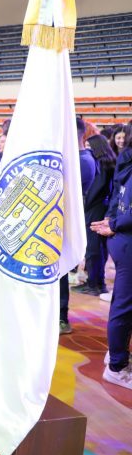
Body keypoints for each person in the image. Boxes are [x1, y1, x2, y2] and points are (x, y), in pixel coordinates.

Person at [92, 123, 132, 390]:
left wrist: (112, 221)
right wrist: (114, 223)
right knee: (125, 306)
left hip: (121, 239)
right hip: (127, 238)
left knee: (124, 303)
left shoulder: (126, 159)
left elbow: (117, 197)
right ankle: (117, 366)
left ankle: (116, 354)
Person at [58, 118, 96, 335]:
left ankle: (61, 317)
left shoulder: (82, 161)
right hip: (64, 219)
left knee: (61, 270)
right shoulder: (79, 158)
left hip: (67, 221)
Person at [74, 127, 116, 296]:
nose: (87, 151)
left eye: (90, 147)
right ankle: (97, 282)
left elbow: (93, 192)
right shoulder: (109, 163)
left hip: (94, 210)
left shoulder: (101, 166)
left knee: (93, 249)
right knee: (99, 249)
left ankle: (94, 284)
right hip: (101, 208)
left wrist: (83, 206)